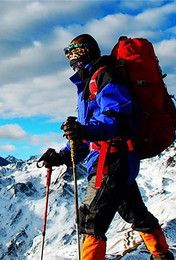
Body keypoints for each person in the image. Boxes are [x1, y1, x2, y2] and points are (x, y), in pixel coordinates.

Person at [40, 34, 174, 260]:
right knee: (134, 212)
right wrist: (63, 155)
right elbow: (87, 132)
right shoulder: (88, 84)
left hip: (112, 159)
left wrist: (85, 131)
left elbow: (118, 118)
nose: (74, 59)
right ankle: (162, 254)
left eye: (78, 53)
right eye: (69, 54)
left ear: (90, 51)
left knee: (90, 219)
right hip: (113, 159)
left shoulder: (105, 76)